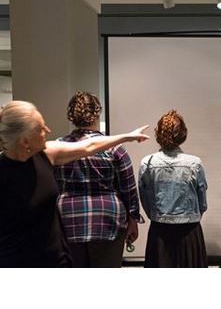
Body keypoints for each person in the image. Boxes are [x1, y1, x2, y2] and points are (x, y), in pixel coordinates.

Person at [0, 100, 148, 268]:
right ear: (25, 141)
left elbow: (89, 146)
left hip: (56, 256)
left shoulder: (47, 153)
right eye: (40, 128)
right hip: (19, 261)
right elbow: (127, 186)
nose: (47, 130)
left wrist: (128, 136)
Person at [53, 91, 142, 268]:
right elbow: (128, 188)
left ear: (72, 116)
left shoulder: (59, 145)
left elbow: (52, 184)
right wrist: (133, 219)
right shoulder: (115, 147)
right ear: (97, 113)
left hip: (68, 220)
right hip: (108, 219)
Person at [139, 110, 208, 268]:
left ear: (158, 134)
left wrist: (158, 215)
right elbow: (202, 203)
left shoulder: (147, 163)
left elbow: (145, 200)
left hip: (159, 232)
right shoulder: (195, 164)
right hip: (190, 233)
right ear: (183, 134)